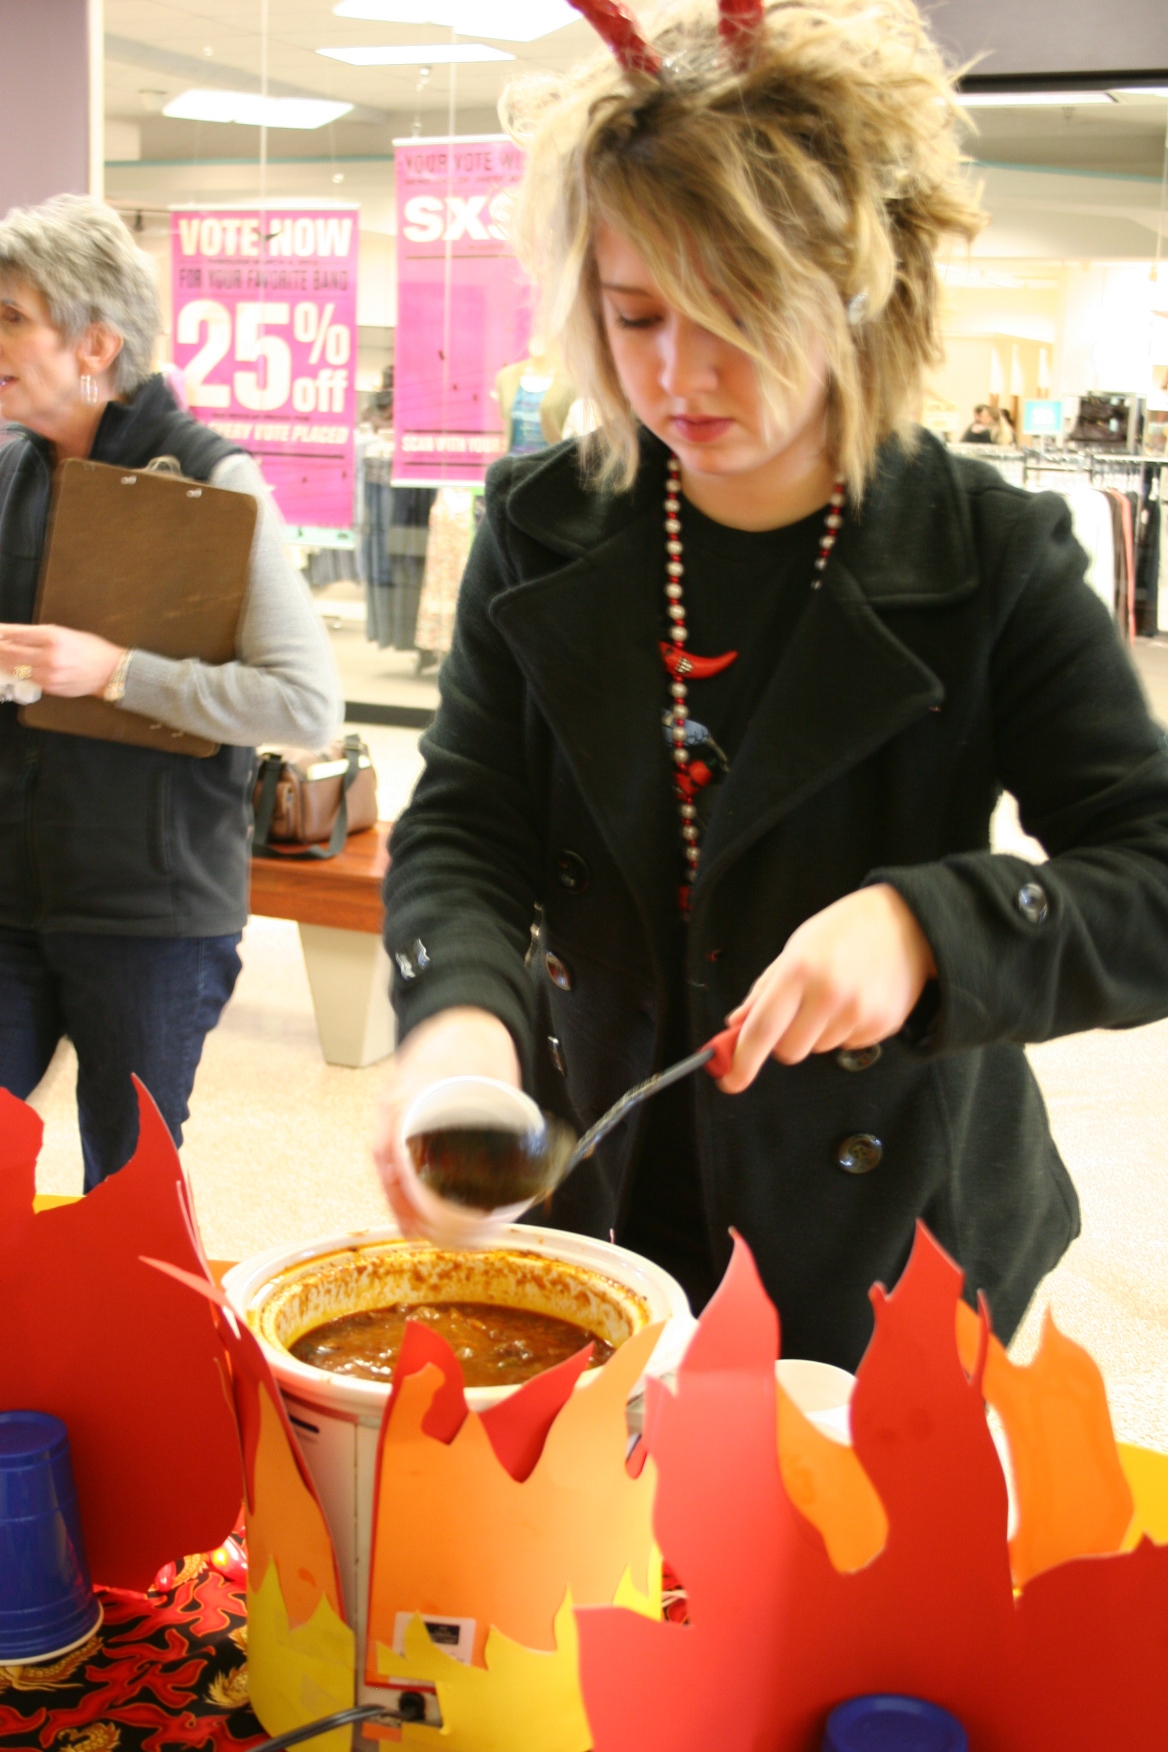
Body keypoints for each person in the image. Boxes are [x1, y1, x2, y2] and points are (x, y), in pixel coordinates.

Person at [373, 0, 1168, 1370]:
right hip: (609, 1179)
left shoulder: (986, 551)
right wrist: (459, 1024)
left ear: (857, 290)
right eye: (635, 316)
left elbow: (1151, 874)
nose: (679, 375)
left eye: (737, 313)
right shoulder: (544, 523)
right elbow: (468, 823)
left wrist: (928, 928)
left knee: (840, 1569)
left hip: (891, 1229)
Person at [0, 195, 343, 1189]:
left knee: (127, 1189)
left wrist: (111, 673)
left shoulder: (211, 478)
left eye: (14, 317)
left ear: (96, 343)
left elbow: (303, 703)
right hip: (12, 902)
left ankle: (132, 1349)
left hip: (150, 919)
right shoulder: (12, 473)